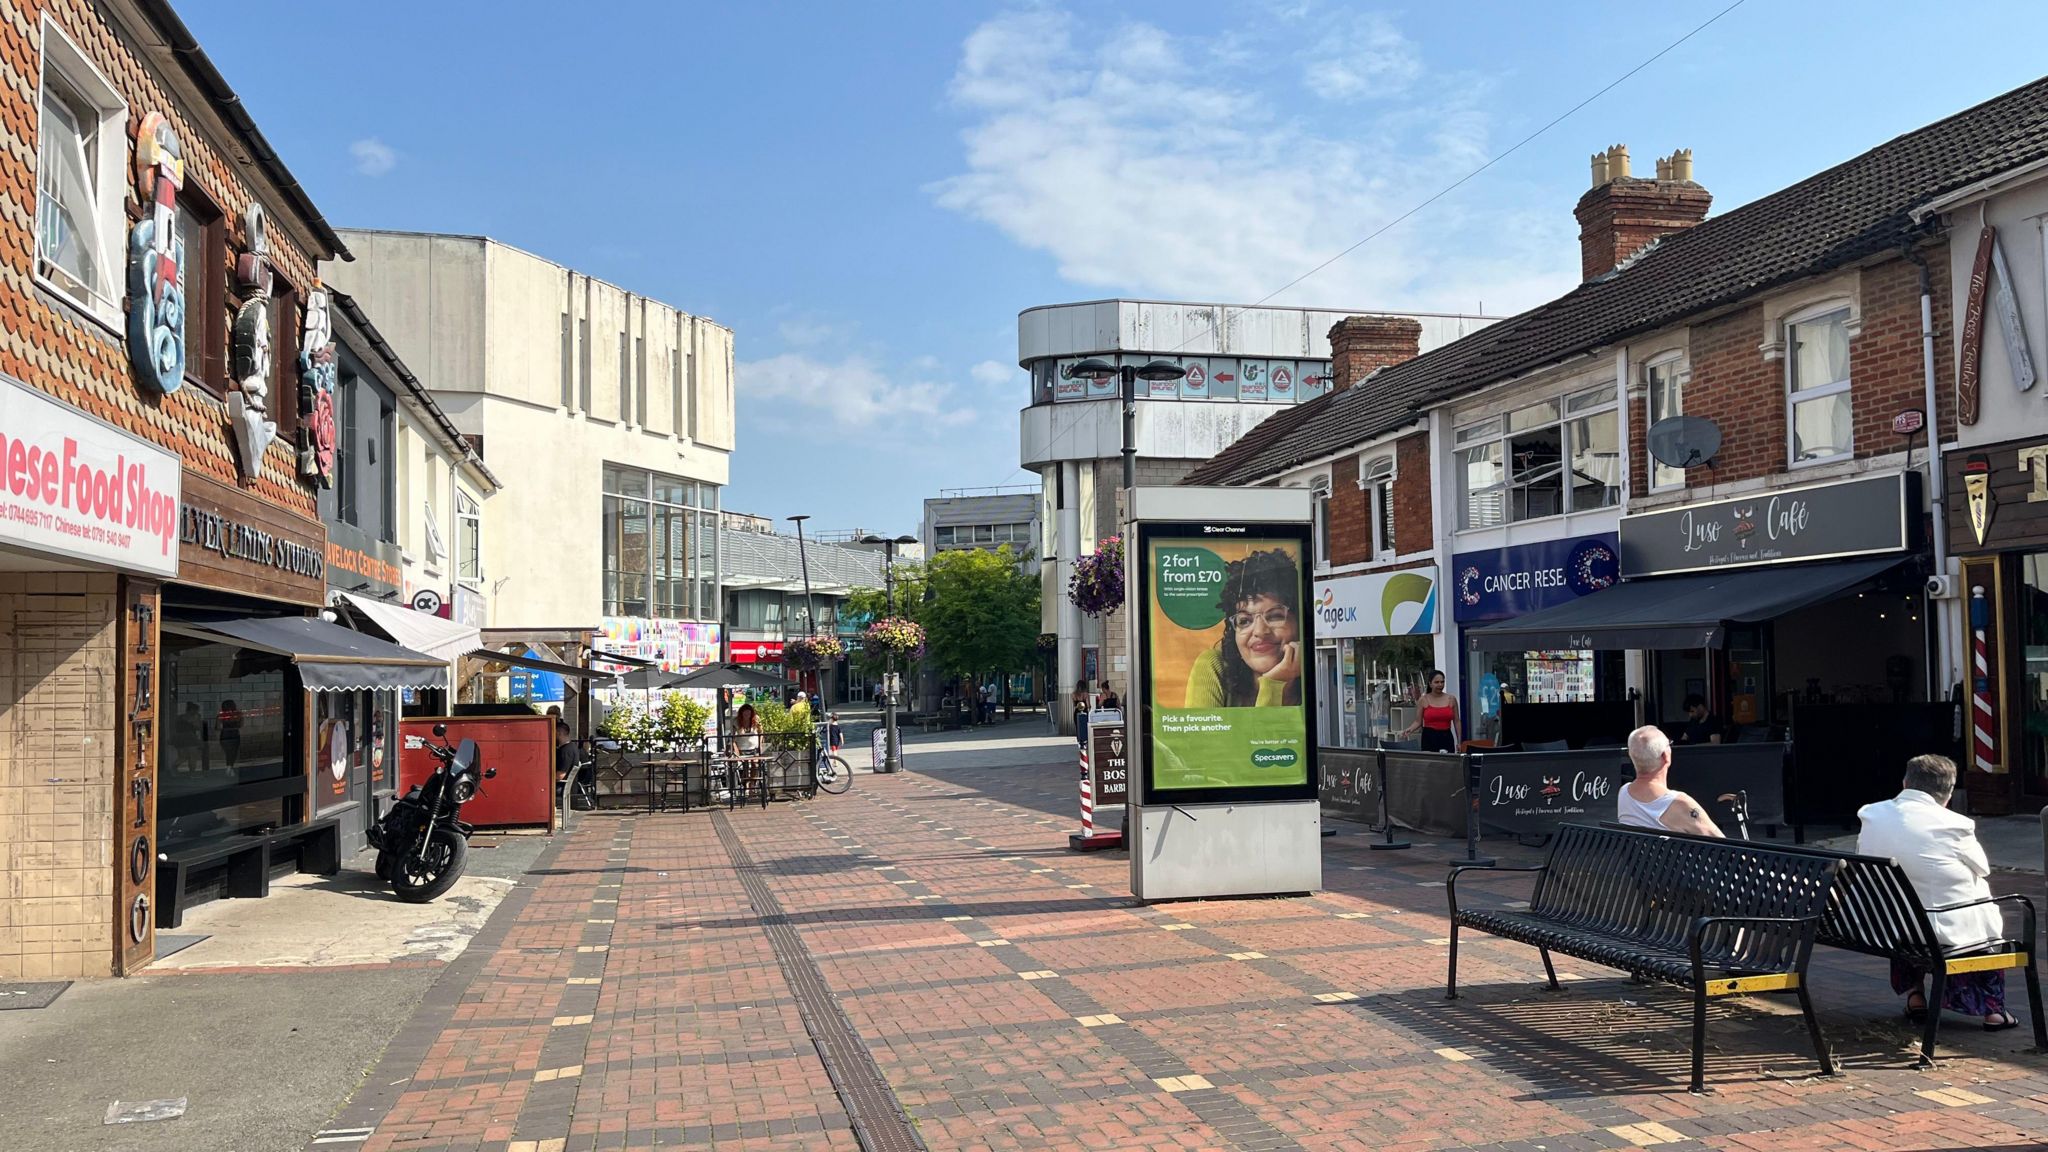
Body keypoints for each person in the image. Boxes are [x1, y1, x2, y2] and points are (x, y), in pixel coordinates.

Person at [1857, 754, 2018, 1030]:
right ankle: (1993, 1011)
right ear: (1949, 792)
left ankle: (1916, 996)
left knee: (1905, 901)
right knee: (1979, 907)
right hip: (1939, 931)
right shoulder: (1955, 824)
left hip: (1885, 927)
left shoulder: (1871, 814)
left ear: (1905, 782)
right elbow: (1982, 868)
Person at [1183, 549, 1302, 708]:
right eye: (1245, 620)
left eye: (1275, 616)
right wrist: (1274, 684)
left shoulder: (1318, 672)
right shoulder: (1214, 666)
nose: (1259, 632)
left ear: (1300, 621)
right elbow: (1198, 734)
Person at [1617, 724, 1724, 835]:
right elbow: (1725, 846)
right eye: (1670, 745)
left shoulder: (1623, 793)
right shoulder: (1680, 803)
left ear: (1631, 755)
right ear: (1665, 756)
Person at [1400, 670, 1460, 753]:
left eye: (1442, 682)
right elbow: (1418, 721)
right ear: (1430, 684)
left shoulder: (1451, 699)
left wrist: (1459, 741)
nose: (1440, 685)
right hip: (1429, 736)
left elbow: (1456, 721)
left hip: (1446, 736)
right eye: (1437, 682)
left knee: (1447, 763)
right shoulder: (1423, 699)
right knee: (1430, 763)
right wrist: (1410, 729)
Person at [217, 699, 243, 769]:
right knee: (233, 753)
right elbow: (240, 725)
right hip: (234, 735)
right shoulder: (238, 714)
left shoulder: (221, 715)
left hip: (225, 735)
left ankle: (229, 767)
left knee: (229, 753)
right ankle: (230, 767)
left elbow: (217, 727)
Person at [1073, 678, 1091, 746]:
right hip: (1085, 712)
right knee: (1085, 726)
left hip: (1077, 712)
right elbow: (1088, 705)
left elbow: (1074, 705)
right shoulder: (1086, 694)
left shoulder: (1073, 694)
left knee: (1077, 727)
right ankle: (1085, 740)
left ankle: (1079, 741)